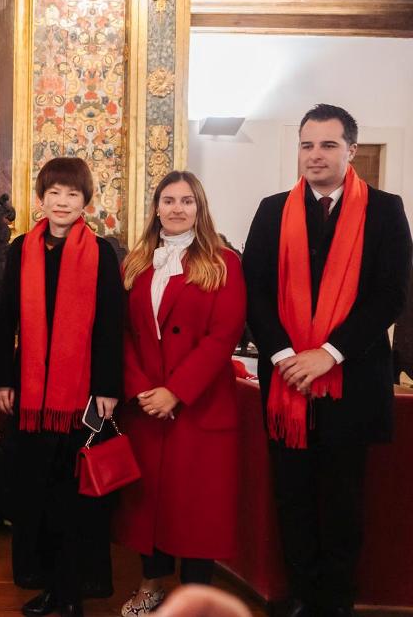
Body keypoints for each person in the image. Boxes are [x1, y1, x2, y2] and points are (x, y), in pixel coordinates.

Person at [242, 104, 412, 617]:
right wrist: (287, 354)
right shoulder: (273, 209)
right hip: (286, 382)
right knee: (291, 502)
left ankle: (334, 604)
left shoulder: (385, 209)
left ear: (351, 150)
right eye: (307, 145)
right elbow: (254, 292)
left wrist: (329, 353)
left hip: (352, 381)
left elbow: (389, 295)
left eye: (328, 145)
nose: (315, 156)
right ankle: (299, 598)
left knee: (343, 505)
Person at [0, 157, 124, 617]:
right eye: (54, 193)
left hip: (82, 397)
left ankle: (72, 593)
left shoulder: (103, 253)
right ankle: (46, 583)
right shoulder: (20, 249)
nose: (62, 201)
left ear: (86, 201)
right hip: (29, 395)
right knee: (37, 496)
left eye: (72, 193)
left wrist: (108, 387)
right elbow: (5, 319)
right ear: (40, 199)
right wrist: (1, 380)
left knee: (74, 500)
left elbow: (111, 326)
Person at [114, 171, 247, 616]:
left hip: (199, 406)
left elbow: (222, 335)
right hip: (147, 408)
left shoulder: (224, 261)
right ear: (155, 208)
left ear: (199, 208)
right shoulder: (135, 261)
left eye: (186, 201)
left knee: (197, 509)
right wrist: (141, 390)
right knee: (148, 506)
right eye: (168, 200)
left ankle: (194, 597)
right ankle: (151, 584)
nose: (176, 208)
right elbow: (125, 334)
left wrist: (176, 391)